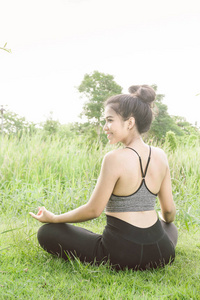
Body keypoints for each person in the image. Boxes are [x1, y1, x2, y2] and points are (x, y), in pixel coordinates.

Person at [30, 85, 178, 271]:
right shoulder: (161, 155)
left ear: (130, 122)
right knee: (169, 227)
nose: (105, 127)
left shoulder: (113, 159)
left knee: (48, 232)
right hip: (160, 253)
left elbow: (93, 210)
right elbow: (170, 213)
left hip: (121, 254)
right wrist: (159, 219)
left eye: (109, 120)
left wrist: (54, 218)